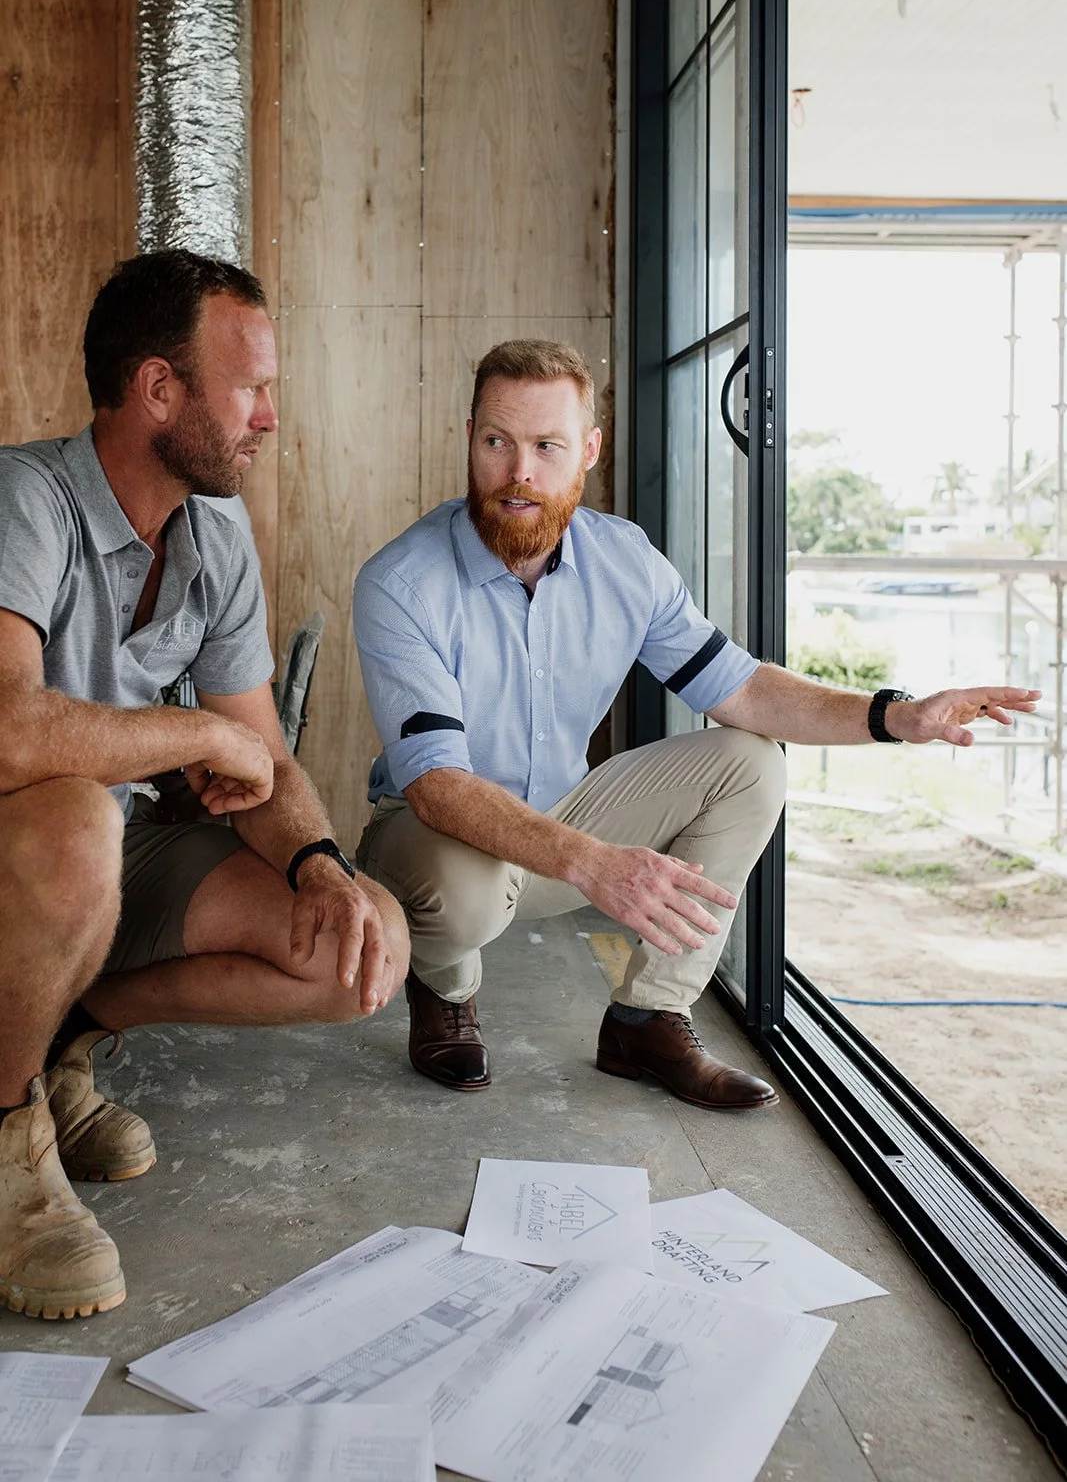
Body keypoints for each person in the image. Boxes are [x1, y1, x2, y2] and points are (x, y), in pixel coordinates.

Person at [353, 338, 1038, 1109]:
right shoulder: (400, 581)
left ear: (588, 450)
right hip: (433, 836)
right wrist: (593, 864)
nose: (519, 471)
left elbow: (742, 690)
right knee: (459, 890)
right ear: (470, 438)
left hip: (562, 819)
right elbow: (440, 787)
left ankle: (648, 1018)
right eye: (496, 442)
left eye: (547, 446)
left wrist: (894, 716)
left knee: (749, 760)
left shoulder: (624, 561)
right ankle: (445, 990)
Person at [0, 250, 409, 1323]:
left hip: (110, 857)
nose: (268, 416)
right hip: (28, 849)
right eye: (252, 386)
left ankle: (53, 1040)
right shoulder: (24, 500)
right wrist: (185, 732)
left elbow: (259, 759)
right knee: (77, 819)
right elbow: (5, 731)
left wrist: (322, 865)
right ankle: (5, 1126)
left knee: (362, 943)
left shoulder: (215, 532)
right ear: (160, 389)